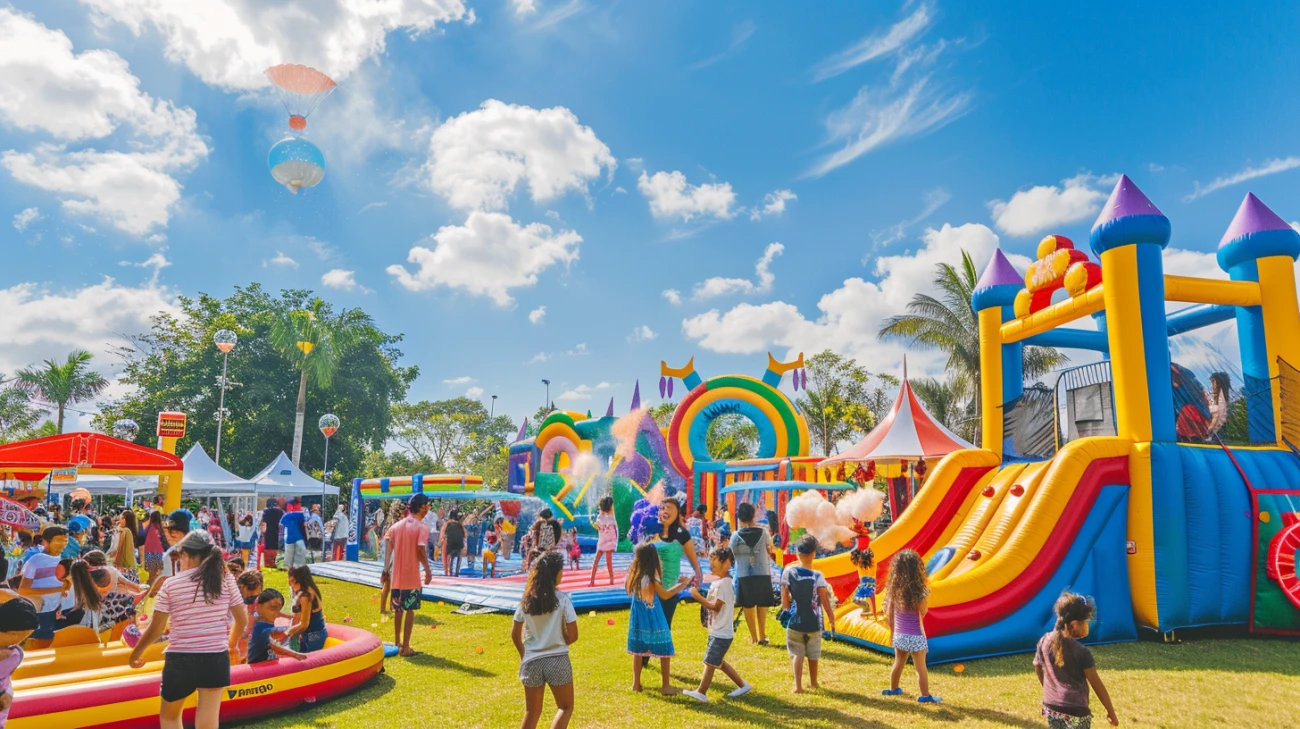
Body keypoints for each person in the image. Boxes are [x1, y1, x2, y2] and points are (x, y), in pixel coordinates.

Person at [129, 530, 247, 729]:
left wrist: (136, 653)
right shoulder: (225, 580)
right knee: (208, 721)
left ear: (185, 555)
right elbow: (241, 620)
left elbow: (156, 629)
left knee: (170, 716)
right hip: (215, 656)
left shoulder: (172, 584)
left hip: (181, 658)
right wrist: (231, 644)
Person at [512, 551, 577, 729]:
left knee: (532, 712)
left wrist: (523, 655)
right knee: (565, 707)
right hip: (557, 660)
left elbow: (515, 633)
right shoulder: (563, 600)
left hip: (531, 661)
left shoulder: (526, 601)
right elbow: (573, 636)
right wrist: (558, 639)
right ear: (555, 573)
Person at [1036, 593, 1119, 728]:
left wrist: (1049, 689)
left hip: (1052, 708)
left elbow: (1037, 666)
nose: (1086, 626)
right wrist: (1110, 711)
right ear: (1074, 624)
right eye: (1084, 622)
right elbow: (1096, 683)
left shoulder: (1044, 641)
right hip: (1076, 712)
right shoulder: (1081, 651)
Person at [682, 545, 752, 703]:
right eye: (710, 560)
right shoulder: (718, 583)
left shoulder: (725, 584)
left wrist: (697, 597)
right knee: (718, 662)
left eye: (716, 560)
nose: (712, 563)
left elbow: (716, 607)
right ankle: (743, 685)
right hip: (717, 630)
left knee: (709, 661)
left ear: (727, 563)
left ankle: (701, 691)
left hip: (722, 633)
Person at [625, 542, 691, 695]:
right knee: (664, 645)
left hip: (638, 618)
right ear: (653, 559)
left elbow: (629, 591)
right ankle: (666, 686)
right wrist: (683, 584)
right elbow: (666, 595)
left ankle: (636, 684)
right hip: (653, 615)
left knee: (638, 651)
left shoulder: (634, 576)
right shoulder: (651, 578)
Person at [881, 548, 939, 703]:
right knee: (920, 668)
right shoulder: (920, 590)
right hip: (915, 636)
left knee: (898, 662)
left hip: (899, 635)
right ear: (917, 568)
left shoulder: (894, 589)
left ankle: (893, 689)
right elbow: (923, 610)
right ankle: (925, 695)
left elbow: (888, 610)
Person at [780, 535, 836, 693]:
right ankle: (814, 682)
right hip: (814, 621)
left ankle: (798, 686)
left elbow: (784, 592)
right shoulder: (818, 576)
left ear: (797, 554)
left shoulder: (789, 572)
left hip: (795, 619)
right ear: (814, 554)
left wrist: (785, 610)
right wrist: (831, 616)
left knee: (797, 652)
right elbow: (824, 598)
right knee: (813, 653)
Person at [383, 493, 433, 657]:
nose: (429, 508)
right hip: (411, 576)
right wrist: (427, 569)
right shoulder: (422, 528)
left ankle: (397, 642)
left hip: (397, 576)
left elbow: (388, 547)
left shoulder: (396, 526)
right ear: (421, 507)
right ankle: (406, 646)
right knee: (410, 610)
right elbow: (420, 550)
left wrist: (385, 570)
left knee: (398, 610)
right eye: (428, 505)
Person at [644, 496, 703, 633]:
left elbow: (693, 559)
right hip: (649, 587)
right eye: (662, 508)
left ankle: (664, 654)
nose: (664, 511)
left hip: (670, 588)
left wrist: (697, 574)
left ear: (677, 512)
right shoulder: (652, 532)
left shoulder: (681, 534)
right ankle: (644, 655)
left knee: (664, 628)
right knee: (647, 629)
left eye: (669, 508)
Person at [17, 526, 72, 649]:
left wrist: (64, 591)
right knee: (37, 647)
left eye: (65, 541)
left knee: (49, 645)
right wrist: (58, 590)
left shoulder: (62, 559)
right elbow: (23, 590)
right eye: (58, 541)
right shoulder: (35, 561)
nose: (62, 544)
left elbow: (60, 583)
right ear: (45, 542)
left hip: (54, 610)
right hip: (37, 612)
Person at [730, 501, 776, 645]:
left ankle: (754, 638)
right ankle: (763, 636)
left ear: (739, 518)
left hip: (744, 574)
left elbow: (733, 554)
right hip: (763, 571)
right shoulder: (764, 532)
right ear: (753, 516)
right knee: (762, 605)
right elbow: (770, 549)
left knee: (748, 605)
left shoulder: (735, 536)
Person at [73, 550, 147, 633]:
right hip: (122, 617)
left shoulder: (83, 584)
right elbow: (134, 587)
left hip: (104, 624)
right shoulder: (112, 572)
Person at [246, 588, 308, 664]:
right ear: (259, 606)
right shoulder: (261, 626)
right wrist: (295, 654)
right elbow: (274, 645)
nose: (276, 614)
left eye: (279, 610)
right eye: (272, 608)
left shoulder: (263, 622)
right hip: (259, 667)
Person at [147, 510, 194, 599]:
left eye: (171, 530)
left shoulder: (172, 555)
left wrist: (149, 595)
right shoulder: (205, 551)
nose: (169, 534)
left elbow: (164, 579)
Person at [286, 565, 328, 653]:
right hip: (311, 632)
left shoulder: (306, 596)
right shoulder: (304, 591)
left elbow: (304, 624)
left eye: (292, 581)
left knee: (305, 659)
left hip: (315, 635)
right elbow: (297, 616)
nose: (290, 584)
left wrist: (287, 632)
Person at [589, 496, 618, 587]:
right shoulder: (611, 516)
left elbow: (598, 524)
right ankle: (611, 580)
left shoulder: (600, 517)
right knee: (608, 561)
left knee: (596, 560)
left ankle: (592, 581)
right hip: (608, 541)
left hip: (603, 541)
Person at [280, 499, 308, 569]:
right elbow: (305, 524)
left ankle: (287, 566)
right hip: (299, 536)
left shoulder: (286, 516)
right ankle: (298, 566)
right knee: (301, 551)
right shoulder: (302, 515)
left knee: (289, 553)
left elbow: (281, 525)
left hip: (289, 537)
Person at [141, 510, 167, 583]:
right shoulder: (161, 529)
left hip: (148, 553)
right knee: (157, 575)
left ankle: (149, 590)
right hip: (159, 554)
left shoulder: (147, 527)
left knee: (149, 575)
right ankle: (154, 590)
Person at [851, 546, 877, 616]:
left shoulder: (869, 564)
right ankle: (867, 608)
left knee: (856, 599)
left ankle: (866, 608)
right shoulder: (862, 564)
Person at [111, 509, 139, 575]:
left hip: (125, 567)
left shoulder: (125, 531)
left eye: (122, 519)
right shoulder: (129, 531)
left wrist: (116, 563)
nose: (119, 521)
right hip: (130, 566)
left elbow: (119, 549)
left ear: (126, 520)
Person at [260, 499, 285, 569]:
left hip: (269, 534)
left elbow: (264, 524)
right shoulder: (280, 512)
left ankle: (269, 564)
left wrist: (262, 533)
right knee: (276, 549)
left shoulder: (266, 512)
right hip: (278, 534)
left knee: (269, 550)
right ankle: (276, 563)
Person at [441, 509, 466, 577]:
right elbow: (464, 536)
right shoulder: (460, 525)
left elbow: (442, 536)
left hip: (449, 546)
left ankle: (447, 571)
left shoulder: (446, 524)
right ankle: (456, 571)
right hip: (459, 546)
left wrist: (438, 545)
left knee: (445, 548)